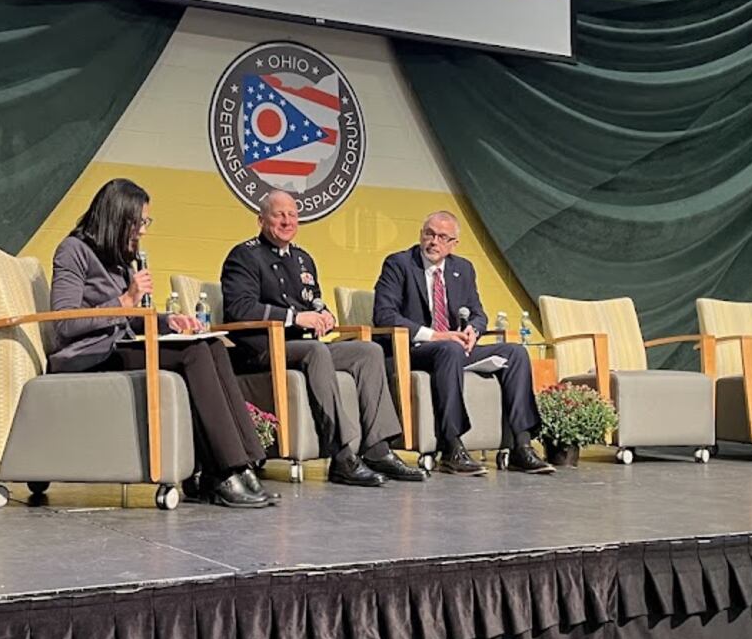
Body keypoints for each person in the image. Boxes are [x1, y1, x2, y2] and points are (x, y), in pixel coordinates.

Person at [49, 179, 271, 508]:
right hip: (89, 356)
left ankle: (245, 461)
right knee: (194, 353)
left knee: (210, 345)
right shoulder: (73, 250)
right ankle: (222, 471)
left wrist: (171, 321)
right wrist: (125, 299)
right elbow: (63, 322)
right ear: (117, 218)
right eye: (139, 222)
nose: (143, 231)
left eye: (145, 223)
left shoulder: (119, 260)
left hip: (117, 346)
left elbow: (136, 318)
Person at [220, 190, 422, 487]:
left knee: (368, 351)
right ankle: (341, 455)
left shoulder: (303, 259)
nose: (287, 221)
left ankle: (378, 449)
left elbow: (312, 301)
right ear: (261, 219)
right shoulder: (244, 255)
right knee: (316, 351)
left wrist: (324, 314)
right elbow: (239, 308)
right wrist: (294, 318)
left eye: (292, 214)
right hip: (262, 349)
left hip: (304, 347)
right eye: (279, 214)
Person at [372, 211, 552, 474]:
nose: (433, 241)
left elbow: (479, 313)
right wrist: (436, 335)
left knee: (515, 353)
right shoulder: (399, 264)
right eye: (429, 234)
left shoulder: (463, 269)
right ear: (421, 234)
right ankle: (452, 447)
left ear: (454, 243)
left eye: (442, 237)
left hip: (454, 349)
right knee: (450, 348)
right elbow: (384, 315)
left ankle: (521, 446)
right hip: (410, 350)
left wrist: (472, 331)